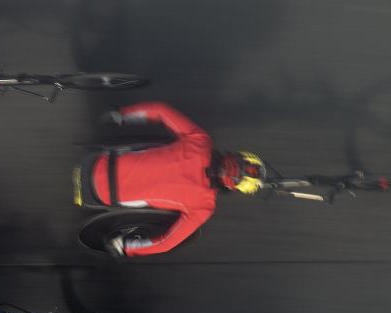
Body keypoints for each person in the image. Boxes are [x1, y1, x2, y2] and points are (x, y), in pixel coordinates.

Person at [91, 101, 265, 257]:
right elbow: (165, 244)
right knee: (167, 219)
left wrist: (122, 115)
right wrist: (125, 247)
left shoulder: (201, 141)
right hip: (105, 194)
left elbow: (160, 110)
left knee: (161, 148)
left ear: (234, 156)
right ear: (233, 187)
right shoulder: (204, 207)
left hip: (101, 161)